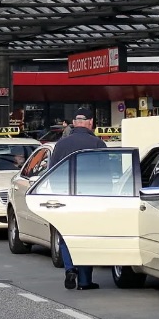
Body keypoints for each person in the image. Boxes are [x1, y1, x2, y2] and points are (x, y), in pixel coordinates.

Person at [49, 107, 106, 291]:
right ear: (90, 123)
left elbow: (51, 174)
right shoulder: (97, 144)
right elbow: (107, 175)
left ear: (74, 123)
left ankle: (69, 268)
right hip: (90, 199)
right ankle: (84, 281)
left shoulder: (60, 145)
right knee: (86, 236)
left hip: (65, 197)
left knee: (67, 235)